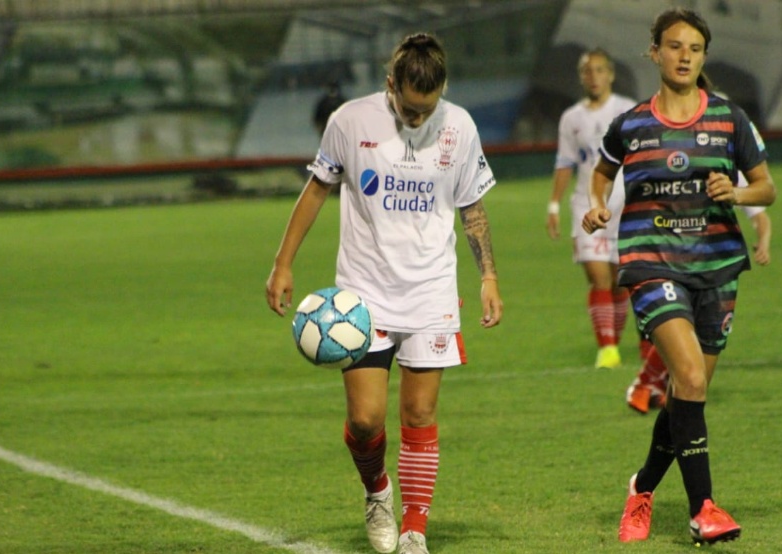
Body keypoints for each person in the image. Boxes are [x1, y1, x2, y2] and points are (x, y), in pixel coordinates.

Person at [266, 33, 503, 554]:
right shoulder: (350, 121)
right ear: (390, 84)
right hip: (364, 294)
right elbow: (316, 190)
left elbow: (472, 208)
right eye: (409, 108)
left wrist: (487, 276)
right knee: (365, 419)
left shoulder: (460, 126)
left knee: (419, 415)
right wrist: (284, 263)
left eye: (428, 109)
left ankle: (416, 526)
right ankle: (377, 492)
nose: (418, 119)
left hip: (431, 291)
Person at [581, 7, 776, 545]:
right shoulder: (632, 125)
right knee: (688, 378)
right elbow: (600, 173)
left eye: (694, 48)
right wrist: (597, 206)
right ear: (655, 52)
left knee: (687, 394)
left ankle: (641, 488)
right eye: (674, 46)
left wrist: (735, 192)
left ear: (703, 56)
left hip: (716, 267)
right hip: (651, 264)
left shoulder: (730, 119)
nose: (684, 55)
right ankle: (704, 509)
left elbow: (766, 187)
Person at [626, 170, 773, 414]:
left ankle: (656, 387)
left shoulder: (728, 166)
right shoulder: (675, 162)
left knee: (693, 335)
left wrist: (764, 241)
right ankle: (645, 383)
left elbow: (759, 213)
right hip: (669, 260)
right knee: (677, 324)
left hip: (712, 266)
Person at [546, 48, 639, 369]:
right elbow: (565, 162)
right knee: (597, 277)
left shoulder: (627, 110)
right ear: (581, 77)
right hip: (586, 205)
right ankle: (608, 348)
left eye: (600, 70)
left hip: (622, 207)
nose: (594, 77)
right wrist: (554, 205)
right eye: (588, 71)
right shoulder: (571, 118)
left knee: (619, 281)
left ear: (610, 74)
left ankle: (613, 338)